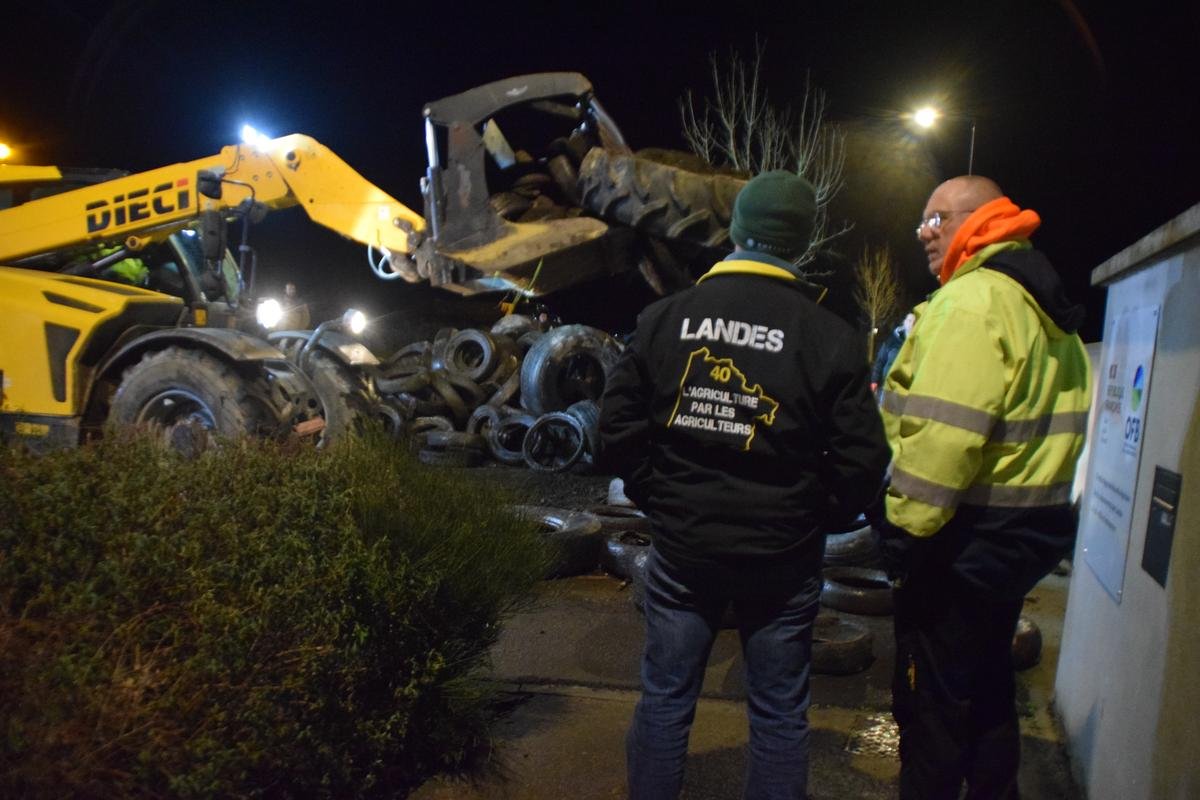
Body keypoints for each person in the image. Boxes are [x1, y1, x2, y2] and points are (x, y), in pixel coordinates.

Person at [598, 170, 890, 800]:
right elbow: (865, 462)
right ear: (801, 243)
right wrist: (813, 514)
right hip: (782, 558)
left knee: (666, 702)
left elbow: (614, 431)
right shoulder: (830, 338)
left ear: (735, 232)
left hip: (683, 551)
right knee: (780, 715)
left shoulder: (661, 321)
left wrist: (661, 495)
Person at [876, 175, 1091, 799]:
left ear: (979, 219)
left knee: (932, 714)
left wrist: (900, 534)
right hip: (1014, 547)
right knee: (990, 696)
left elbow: (943, 444)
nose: (923, 232)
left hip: (959, 548)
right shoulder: (1042, 305)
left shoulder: (973, 305)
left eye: (936, 219)